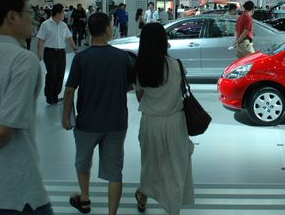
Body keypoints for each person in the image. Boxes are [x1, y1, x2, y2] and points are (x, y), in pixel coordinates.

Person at [61, 12, 134, 215]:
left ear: (88, 31)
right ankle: (112, 213)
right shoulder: (122, 57)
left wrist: (65, 117)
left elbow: (69, 90)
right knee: (114, 172)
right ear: (109, 30)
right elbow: (130, 85)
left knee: (83, 161)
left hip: (87, 122)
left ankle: (84, 198)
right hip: (116, 122)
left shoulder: (82, 58)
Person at [0, 0, 53, 215]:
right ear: (12, 16)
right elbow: (3, 131)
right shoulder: (22, 60)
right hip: (15, 191)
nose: (33, 19)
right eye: (29, 12)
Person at [133, 23, 194, 215]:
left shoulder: (140, 68)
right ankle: (172, 209)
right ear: (163, 41)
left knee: (150, 166)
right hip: (175, 122)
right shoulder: (177, 66)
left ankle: (143, 195)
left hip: (150, 122)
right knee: (175, 169)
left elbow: (140, 96)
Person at [37, 3, 79, 105]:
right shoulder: (46, 24)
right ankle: (49, 95)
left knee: (60, 75)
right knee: (52, 74)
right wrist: (39, 53)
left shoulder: (64, 25)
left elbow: (69, 38)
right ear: (58, 13)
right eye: (63, 12)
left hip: (61, 53)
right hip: (50, 52)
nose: (64, 14)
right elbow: (41, 40)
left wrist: (75, 48)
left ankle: (55, 94)